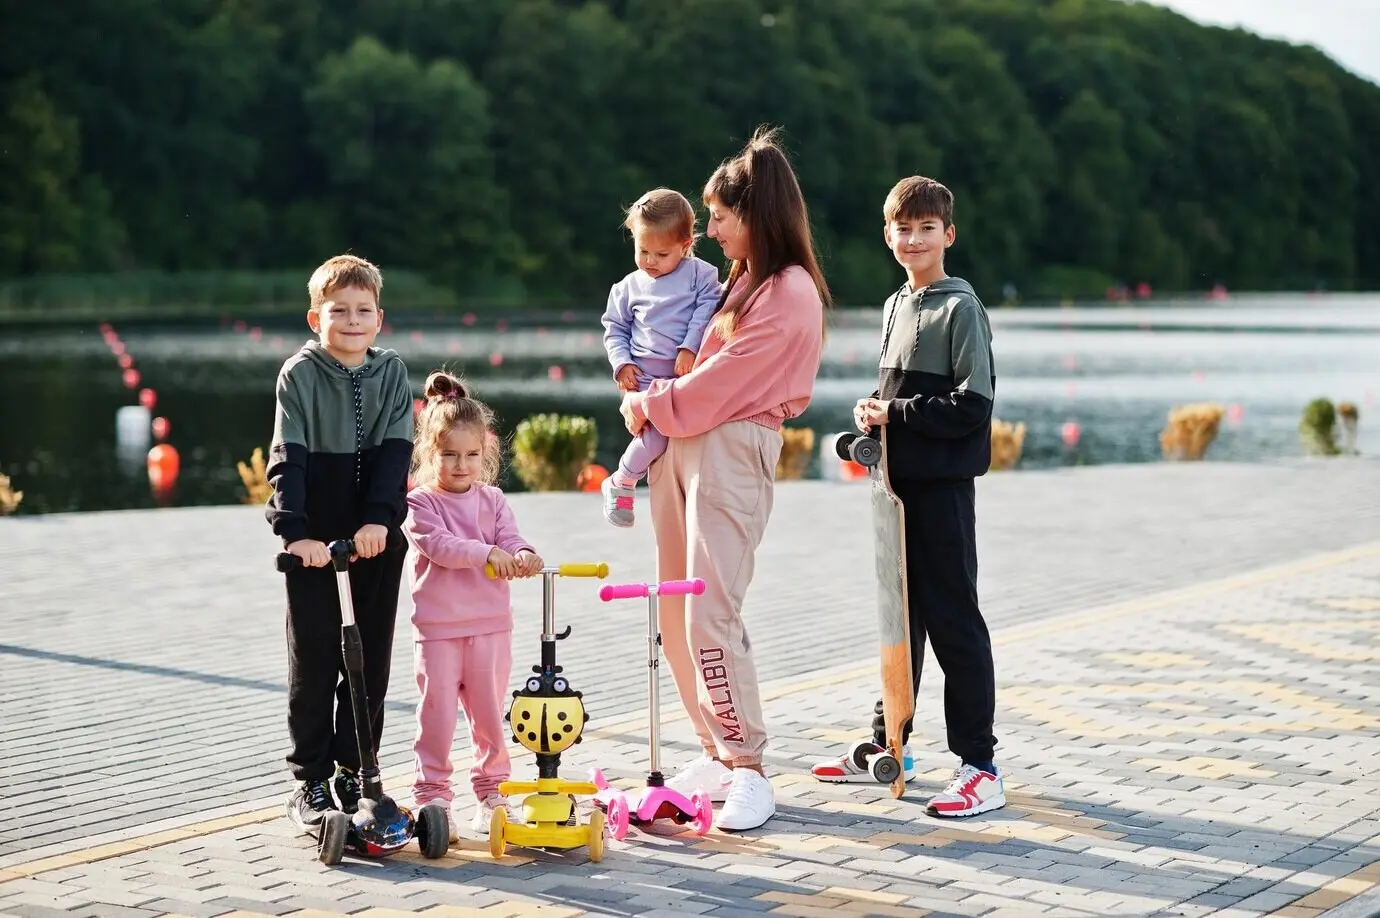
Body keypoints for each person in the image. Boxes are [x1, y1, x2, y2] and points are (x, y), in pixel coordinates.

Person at [618, 127, 829, 832]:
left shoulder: (790, 290)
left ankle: (749, 767)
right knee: (674, 609)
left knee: (710, 609)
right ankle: (711, 751)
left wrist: (646, 404)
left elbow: (723, 383)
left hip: (732, 448)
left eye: (720, 216)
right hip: (683, 445)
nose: (708, 231)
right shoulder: (742, 281)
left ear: (756, 214)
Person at [809, 176, 1006, 818]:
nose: (913, 239)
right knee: (901, 621)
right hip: (892, 489)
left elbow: (973, 408)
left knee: (954, 625)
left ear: (949, 234)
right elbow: (901, 405)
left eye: (926, 228)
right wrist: (874, 415)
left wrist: (896, 409)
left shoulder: (961, 308)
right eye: (903, 228)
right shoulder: (897, 304)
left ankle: (980, 765)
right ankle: (889, 743)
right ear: (888, 235)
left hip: (942, 493)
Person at [265, 254, 415, 833]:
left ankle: (357, 768)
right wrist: (295, 531)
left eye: (363, 311)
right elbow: (288, 457)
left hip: (373, 541)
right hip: (315, 541)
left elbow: (395, 454)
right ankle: (309, 779)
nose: (351, 320)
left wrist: (381, 520)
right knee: (316, 657)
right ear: (314, 318)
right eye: (339, 311)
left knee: (368, 661)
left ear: (379, 319)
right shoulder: (299, 375)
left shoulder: (390, 372)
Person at [403, 371, 543, 839]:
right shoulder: (420, 503)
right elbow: (441, 546)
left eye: (470, 455)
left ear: (485, 455)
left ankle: (492, 793)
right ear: (430, 454)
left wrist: (522, 554)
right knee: (436, 717)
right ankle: (434, 797)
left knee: (489, 716)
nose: (460, 465)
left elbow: (510, 538)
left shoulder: (495, 499)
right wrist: (487, 554)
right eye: (448, 455)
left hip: (489, 627)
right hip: (439, 628)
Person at [600, 188, 722, 527]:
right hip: (641, 378)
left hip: (681, 375)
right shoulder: (626, 288)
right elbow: (614, 328)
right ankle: (622, 481)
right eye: (643, 251)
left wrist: (689, 346)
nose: (650, 261)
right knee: (656, 437)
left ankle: (627, 481)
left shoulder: (701, 275)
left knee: (668, 438)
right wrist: (621, 362)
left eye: (661, 253)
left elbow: (707, 309)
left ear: (685, 246)